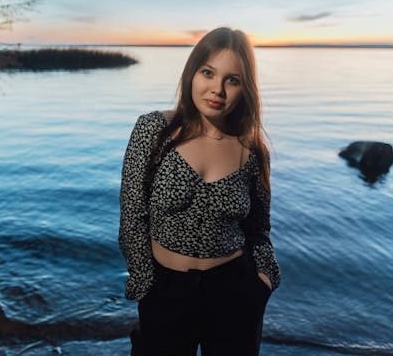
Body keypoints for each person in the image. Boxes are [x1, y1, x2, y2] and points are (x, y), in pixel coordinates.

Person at [118, 26, 281, 356]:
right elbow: (132, 217)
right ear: (192, 72)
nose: (217, 89)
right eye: (208, 72)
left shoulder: (251, 151)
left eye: (232, 80)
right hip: (165, 292)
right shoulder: (154, 131)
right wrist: (146, 285)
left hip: (234, 292)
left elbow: (259, 230)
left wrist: (263, 280)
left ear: (244, 88)